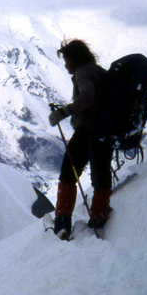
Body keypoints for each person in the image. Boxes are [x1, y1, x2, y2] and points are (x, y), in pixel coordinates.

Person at [48, 39, 114, 240]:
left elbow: (87, 97)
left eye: (66, 59)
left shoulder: (83, 72)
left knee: (68, 173)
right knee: (101, 174)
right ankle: (98, 216)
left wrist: (64, 112)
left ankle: (62, 224)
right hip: (105, 131)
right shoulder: (99, 71)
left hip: (86, 131)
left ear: (74, 58)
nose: (65, 64)